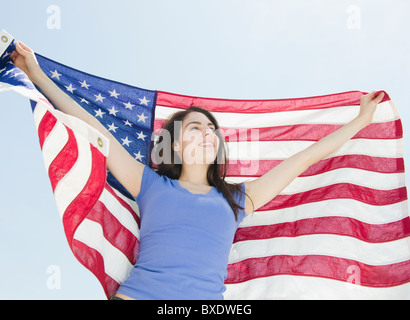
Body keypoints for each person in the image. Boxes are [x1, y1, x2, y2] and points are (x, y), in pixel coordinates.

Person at [10, 40, 385, 300]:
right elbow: (96, 131)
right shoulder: (150, 184)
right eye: (195, 128)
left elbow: (306, 157)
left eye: (211, 129)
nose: (207, 133)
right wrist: (38, 77)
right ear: (174, 144)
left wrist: (361, 120)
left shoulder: (238, 199)